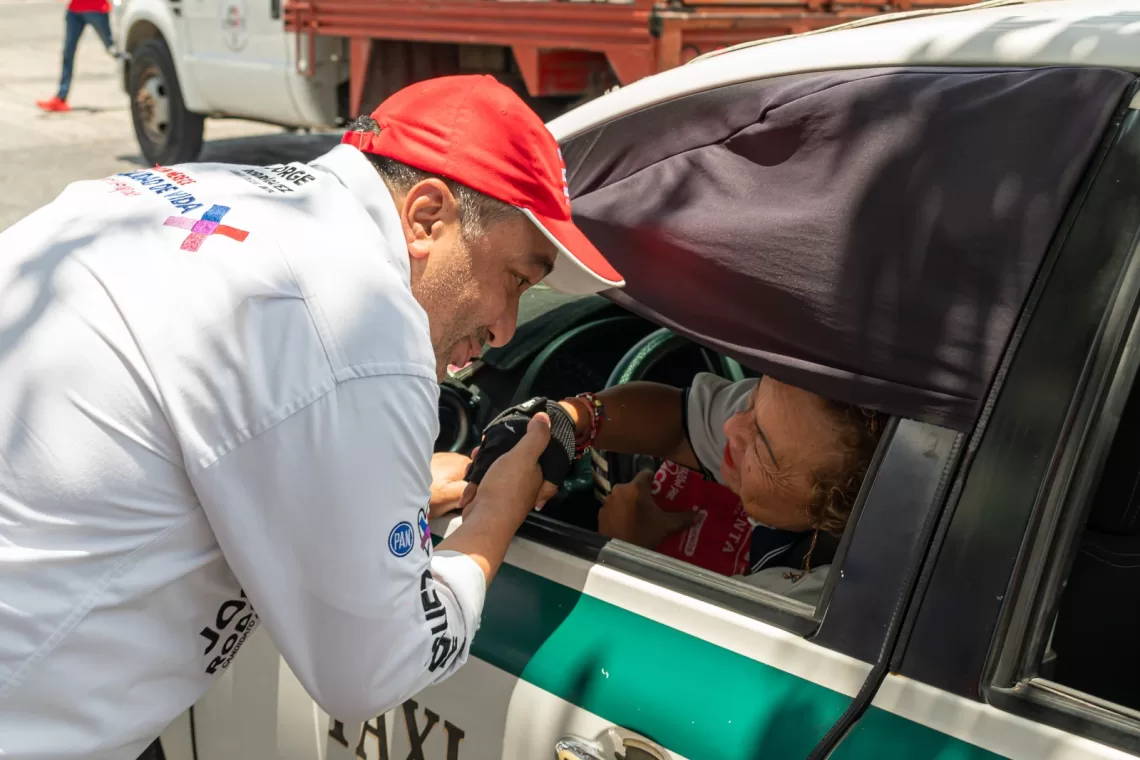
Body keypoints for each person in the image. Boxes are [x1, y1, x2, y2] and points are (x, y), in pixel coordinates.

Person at [0, 74, 623, 760]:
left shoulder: (174, 189)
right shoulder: (360, 321)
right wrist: (494, 518)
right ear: (426, 218)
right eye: (516, 279)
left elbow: (183, 436)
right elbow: (375, 667)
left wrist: (392, 490)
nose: (506, 329)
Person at [463, 373, 884, 603]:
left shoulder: (820, 603)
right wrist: (570, 419)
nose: (732, 426)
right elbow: (679, 424)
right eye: (753, 400)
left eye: (762, 446)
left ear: (832, 507)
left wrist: (626, 554)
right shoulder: (798, 412)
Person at [36, 0, 126, 113]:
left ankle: (141, 73)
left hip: (96, 9)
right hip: (75, 10)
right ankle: (61, 97)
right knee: (68, 53)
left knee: (113, 50)